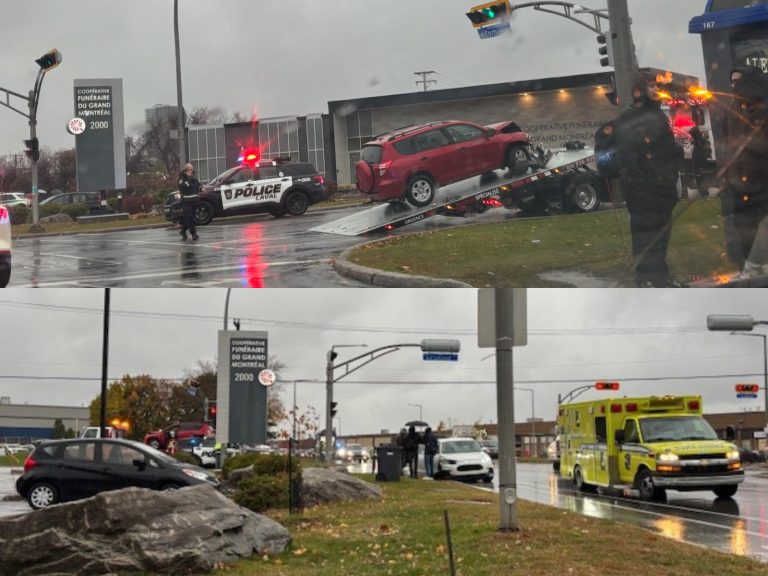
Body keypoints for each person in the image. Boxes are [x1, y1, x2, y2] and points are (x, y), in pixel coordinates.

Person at [613, 72, 683, 287]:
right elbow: (627, 154)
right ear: (640, 90)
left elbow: (664, 150)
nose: (655, 89)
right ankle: (645, 279)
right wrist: (638, 185)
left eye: (657, 85)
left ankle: (661, 276)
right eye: (651, 85)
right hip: (643, 190)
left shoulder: (659, 115)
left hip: (663, 187)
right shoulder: (630, 117)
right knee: (645, 236)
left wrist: (675, 161)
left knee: (661, 236)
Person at [720, 66, 768, 279]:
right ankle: (749, 269)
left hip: (763, 180)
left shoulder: (763, 108)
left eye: (738, 80)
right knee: (743, 229)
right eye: (732, 81)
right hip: (739, 183)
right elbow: (727, 143)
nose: (734, 86)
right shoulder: (733, 108)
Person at [688, 126, 715, 198]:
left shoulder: (699, 142)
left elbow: (704, 154)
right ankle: (705, 195)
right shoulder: (701, 141)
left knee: (701, 182)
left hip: (700, 165)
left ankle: (704, 195)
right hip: (701, 165)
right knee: (702, 181)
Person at [177, 163, 200, 241]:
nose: (191, 171)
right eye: (189, 169)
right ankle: (194, 234)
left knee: (191, 218)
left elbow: (197, 185)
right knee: (190, 217)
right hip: (186, 201)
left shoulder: (194, 177)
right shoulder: (181, 179)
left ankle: (183, 231)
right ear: (186, 170)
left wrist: (201, 187)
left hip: (194, 200)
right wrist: (189, 178)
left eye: (191, 169)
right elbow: (186, 187)